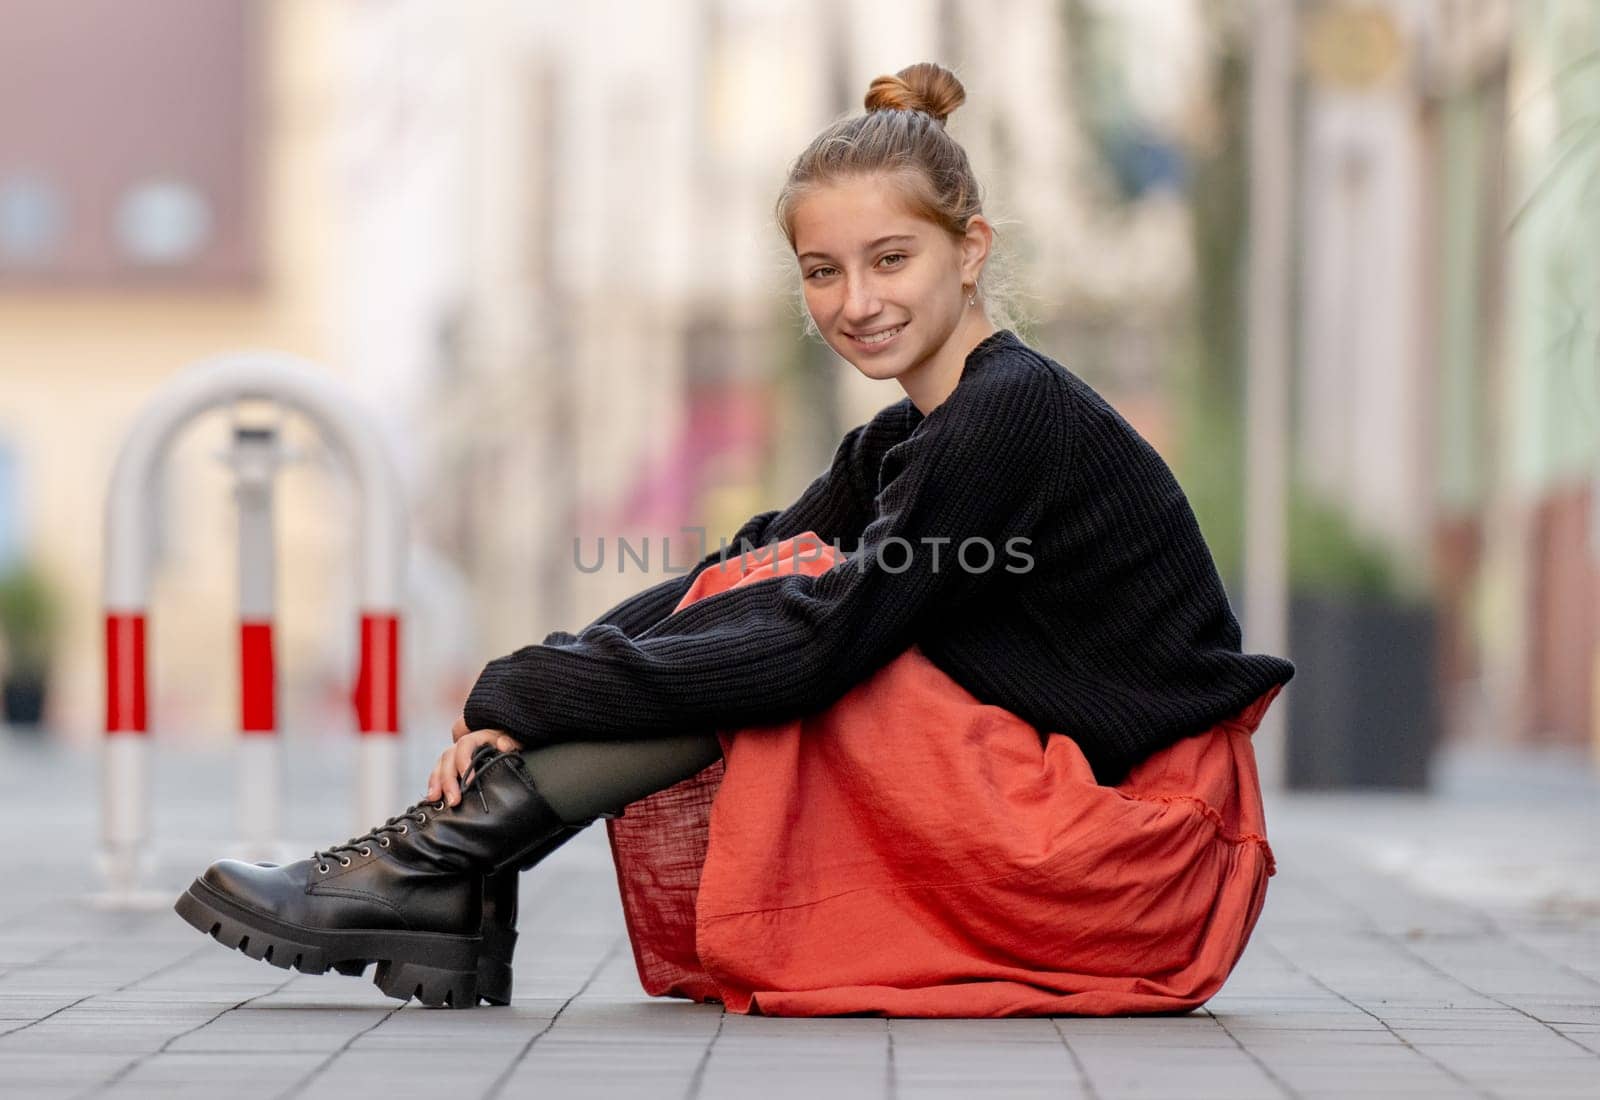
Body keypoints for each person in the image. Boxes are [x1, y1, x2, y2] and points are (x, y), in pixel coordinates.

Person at [176, 61, 1294, 1016]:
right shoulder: (912, 431)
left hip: (1140, 854)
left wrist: (527, 689)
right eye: (822, 270)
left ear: (970, 249)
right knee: (778, 587)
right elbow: (739, 570)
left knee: (806, 641)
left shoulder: (1012, 412)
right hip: (1079, 821)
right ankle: (447, 869)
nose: (856, 300)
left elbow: (813, 637)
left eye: (890, 258)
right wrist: (529, 687)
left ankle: (435, 866)